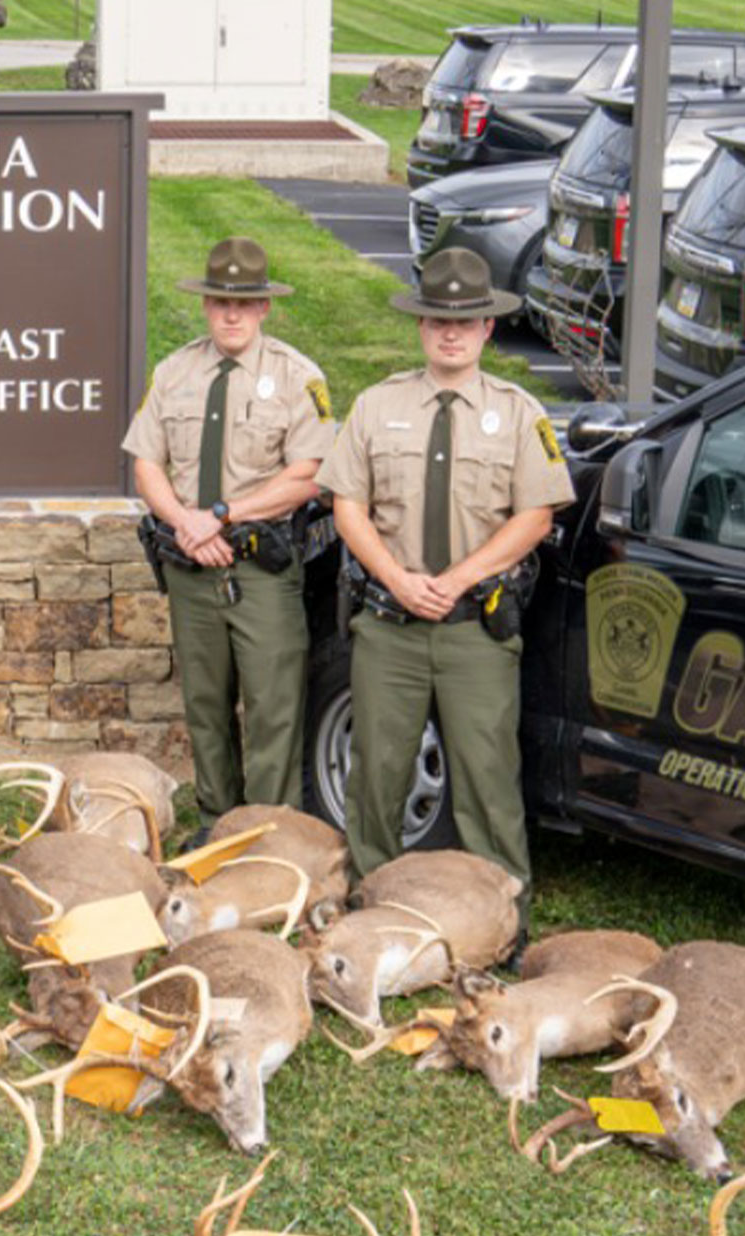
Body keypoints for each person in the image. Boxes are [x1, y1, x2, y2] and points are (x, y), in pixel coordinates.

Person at [316, 247, 574, 894]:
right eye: (438, 320)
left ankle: (500, 914)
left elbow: (535, 517)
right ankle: (371, 902)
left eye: (466, 321)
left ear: (488, 327)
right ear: (421, 327)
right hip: (390, 622)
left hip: (474, 630)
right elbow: (348, 507)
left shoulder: (520, 413)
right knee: (376, 771)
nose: (451, 333)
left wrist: (456, 580)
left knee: (487, 775)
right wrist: (396, 579)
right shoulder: (378, 406)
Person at [123, 237, 332, 843]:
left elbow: (311, 475)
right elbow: (146, 464)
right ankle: (216, 824)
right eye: (220, 302)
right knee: (206, 707)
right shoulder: (174, 372)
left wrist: (222, 515)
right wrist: (186, 524)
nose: (232, 314)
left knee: (272, 709)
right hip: (191, 567)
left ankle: (269, 834)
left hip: (259, 570)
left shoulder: (298, 378)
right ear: (206, 306)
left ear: (265, 307)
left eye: (245, 302)